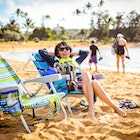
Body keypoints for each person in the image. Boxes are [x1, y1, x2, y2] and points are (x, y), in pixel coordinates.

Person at [39, 41, 126, 118]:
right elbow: (41, 52)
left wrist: (72, 53)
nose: (65, 50)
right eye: (61, 49)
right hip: (69, 85)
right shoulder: (55, 62)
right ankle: (92, 109)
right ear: (58, 52)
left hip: (82, 84)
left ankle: (115, 108)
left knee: (94, 82)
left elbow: (86, 52)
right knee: (86, 74)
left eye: (67, 48)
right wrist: (55, 54)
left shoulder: (76, 61)